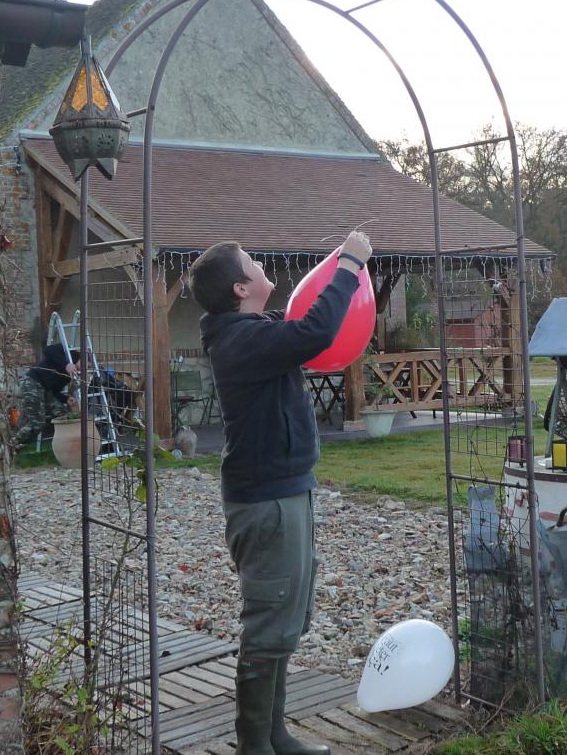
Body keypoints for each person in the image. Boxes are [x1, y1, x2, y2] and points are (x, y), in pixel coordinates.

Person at [188, 230, 372, 755]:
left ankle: (275, 736)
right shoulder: (241, 342)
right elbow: (315, 331)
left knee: (287, 614)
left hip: (286, 491)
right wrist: (349, 265)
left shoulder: (253, 331)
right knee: (269, 619)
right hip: (266, 501)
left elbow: (304, 324)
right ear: (241, 288)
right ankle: (254, 744)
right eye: (252, 261)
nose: (261, 263)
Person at [16, 343, 80, 445]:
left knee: (62, 414)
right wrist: (67, 364)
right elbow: (48, 350)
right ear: (84, 359)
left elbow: (55, 391)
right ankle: (13, 443)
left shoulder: (70, 375)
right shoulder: (69, 353)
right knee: (37, 423)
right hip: (33, 382)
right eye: (87, 365)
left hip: (45, 390)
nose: (83, 369)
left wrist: (66, 399)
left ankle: (67, 446)